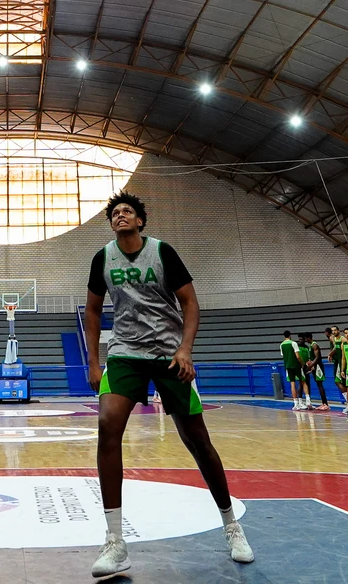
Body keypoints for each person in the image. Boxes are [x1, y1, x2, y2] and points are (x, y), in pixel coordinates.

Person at [84, 191, 253, 577]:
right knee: (108, 424)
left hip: (168, 353)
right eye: (115, 213)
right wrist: (93, 362)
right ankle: (115, 542)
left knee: (197, 441)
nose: (120, 216)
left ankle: (232, 526)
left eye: (127, 211)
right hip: (125, 352)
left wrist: (186, 349)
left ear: (140, 220)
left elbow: (190, 303)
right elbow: (93, 311)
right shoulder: (102, 258)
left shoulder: (163, 252)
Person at [301, 333, 330, 411]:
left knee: (320, 385)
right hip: (315, 367)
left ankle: (325, 404)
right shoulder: (311, 346)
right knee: (318, 385)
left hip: (318, 368)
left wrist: (309, 366)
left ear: (308, 338)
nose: (305, 340)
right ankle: (324, 403)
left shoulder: (314, 345)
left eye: (306, 338)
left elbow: (317, 358)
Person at [280, 330, 307, 410]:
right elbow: (297, 356)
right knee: (303, 381)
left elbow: (283, 355)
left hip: (288, 366)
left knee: (292, 384)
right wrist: (302, 363)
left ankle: (296, 404)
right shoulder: (293, 343)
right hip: (296, 365)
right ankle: (307, 401)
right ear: (290, 335)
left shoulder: (281, 345)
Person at [327, 325, 346, 399]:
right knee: (337, 381)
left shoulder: (343, 339)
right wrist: (330, 354)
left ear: (338, 331)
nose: (334, 332)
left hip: (343, 361)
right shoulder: (333, 338)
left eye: (335, 330)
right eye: (332, 331)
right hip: (337, 361)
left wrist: (330, 354)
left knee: (346, 383)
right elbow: (335, 348)